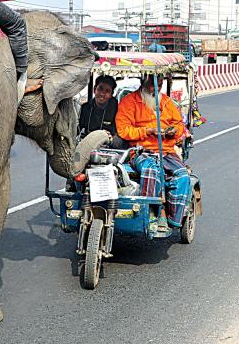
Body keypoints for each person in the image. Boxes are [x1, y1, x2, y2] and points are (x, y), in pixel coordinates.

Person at [116, 75, 191, 232]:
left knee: (183, 176)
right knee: (152, 171)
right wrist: (147, 131)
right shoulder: (129, 101)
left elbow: (178, 124)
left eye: (159, 85)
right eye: (152, 85)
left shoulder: (167, 102)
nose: (155, 89)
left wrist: (173, 131)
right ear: (143, 83)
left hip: (167, 151)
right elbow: (123, 130)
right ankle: (149, 213)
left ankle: (173, 218)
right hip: (141, 151)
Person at [78, 75, 125, 147]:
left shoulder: (118, 109)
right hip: (89, 144)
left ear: (111, 94)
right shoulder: (85, 108)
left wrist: (110, 139)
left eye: (107, 91)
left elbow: (120, 135)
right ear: (94, 89)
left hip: (109, 146)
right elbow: (79, 131)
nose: (102, 94)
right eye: (100, 89)